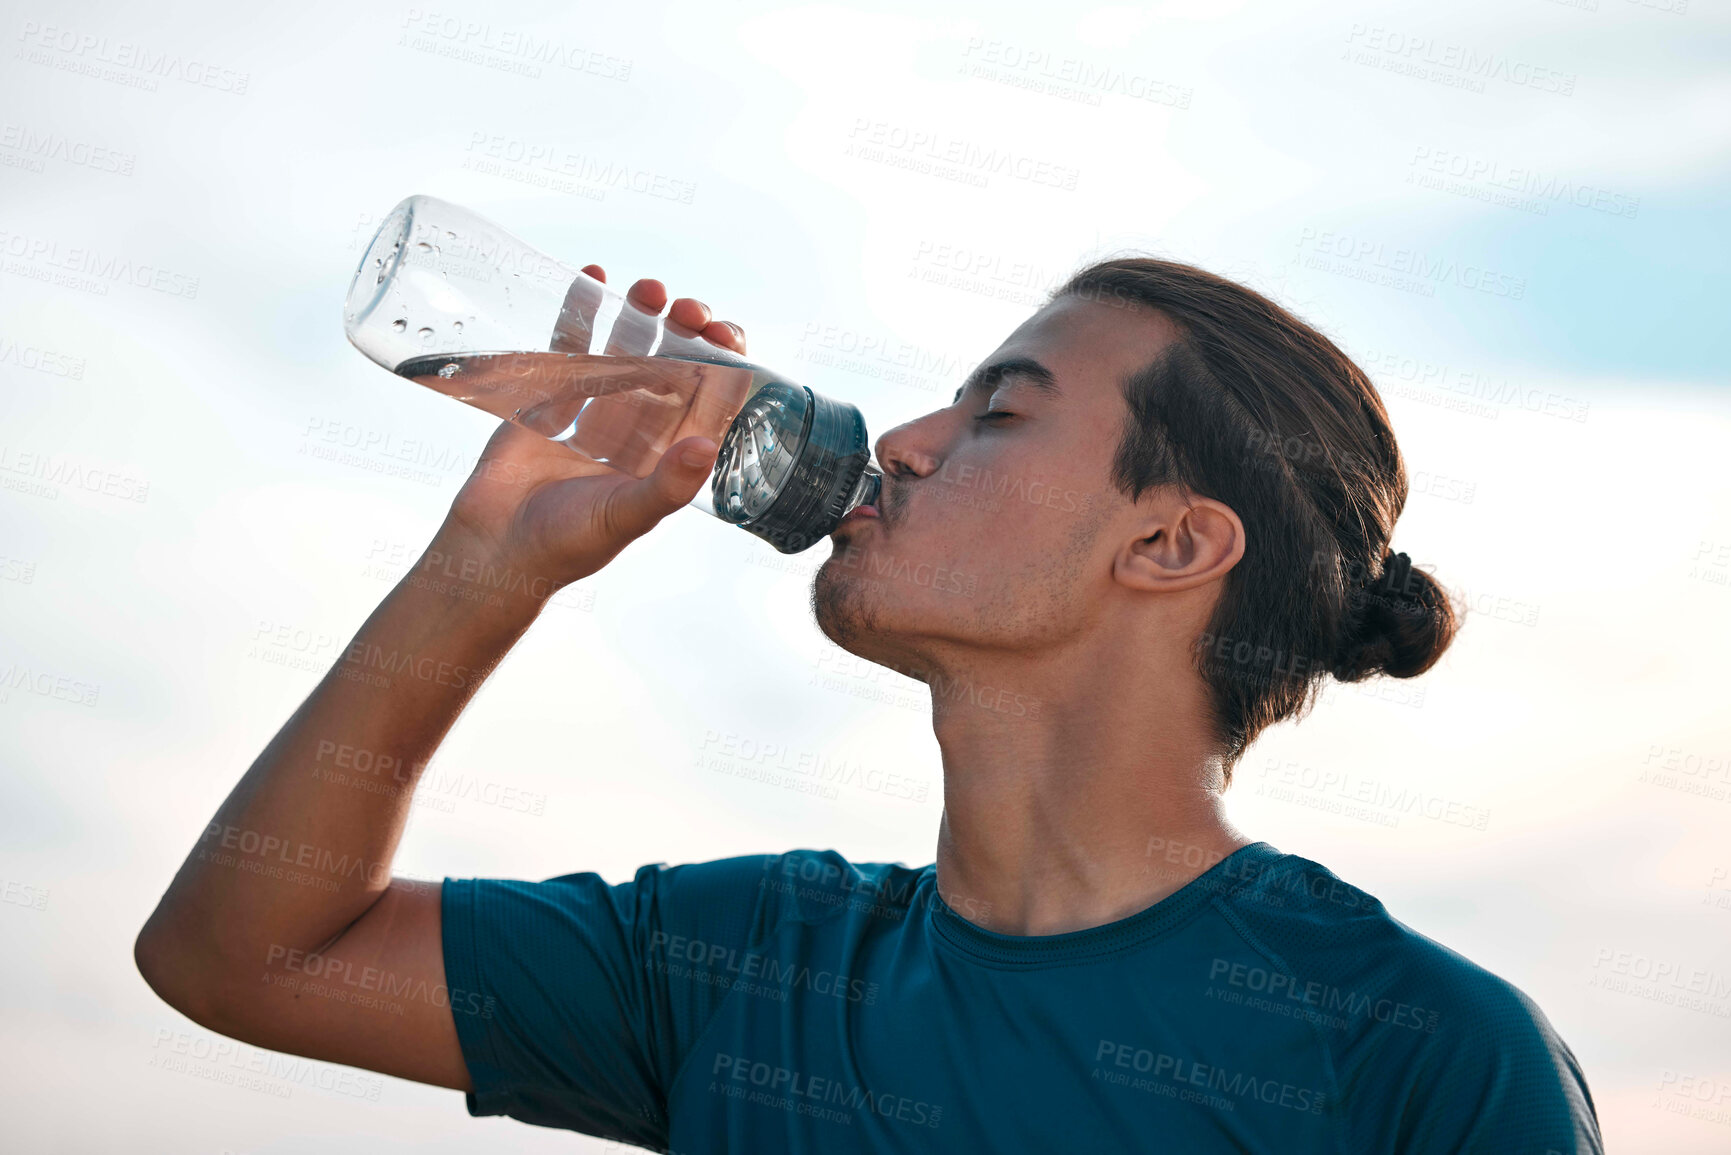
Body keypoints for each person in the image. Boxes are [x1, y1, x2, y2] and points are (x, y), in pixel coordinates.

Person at [135, 257, 1603, 1153]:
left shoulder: (1416, 1051)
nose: (901, 441)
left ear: (1169, 543)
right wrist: (485, 570)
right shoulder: (745, 967)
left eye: (1001, 412)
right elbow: (241, 956)